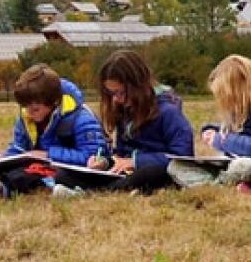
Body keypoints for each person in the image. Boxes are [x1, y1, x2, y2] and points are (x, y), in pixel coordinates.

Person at [170, 55, 251, 189]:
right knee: (176, 165)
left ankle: (221, 183)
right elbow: (241, 132)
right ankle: (226, 183)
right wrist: (214, 130)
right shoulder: (244, 107)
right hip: (235, 160)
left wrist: (220, 140)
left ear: (238, 91)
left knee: (243, 166)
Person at [74, 50, 194, 196]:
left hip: (156, 172)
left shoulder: (169, 112)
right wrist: (105, 161)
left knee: (148, 174)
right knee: (64, 174)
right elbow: (121, 153)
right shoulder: (124, 111)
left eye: (121, 93)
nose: (116, 100)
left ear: (138, 86)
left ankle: (91, 192)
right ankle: (99, 188)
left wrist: (136, 162)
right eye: (112, 94)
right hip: (126, 173)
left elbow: (183, 157)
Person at [0, 64, 108, 195]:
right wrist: (1, 160)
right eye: (25, 107)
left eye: (36, 109)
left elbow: (92, 157)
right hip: (40, 167)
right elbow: (18, 147)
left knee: (34, 177)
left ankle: (4, 188)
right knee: (12, 173)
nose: (29, 113)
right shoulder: (26, 116)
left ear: (54, 102)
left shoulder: (81, 118)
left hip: (66, 171)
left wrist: (49, 155)